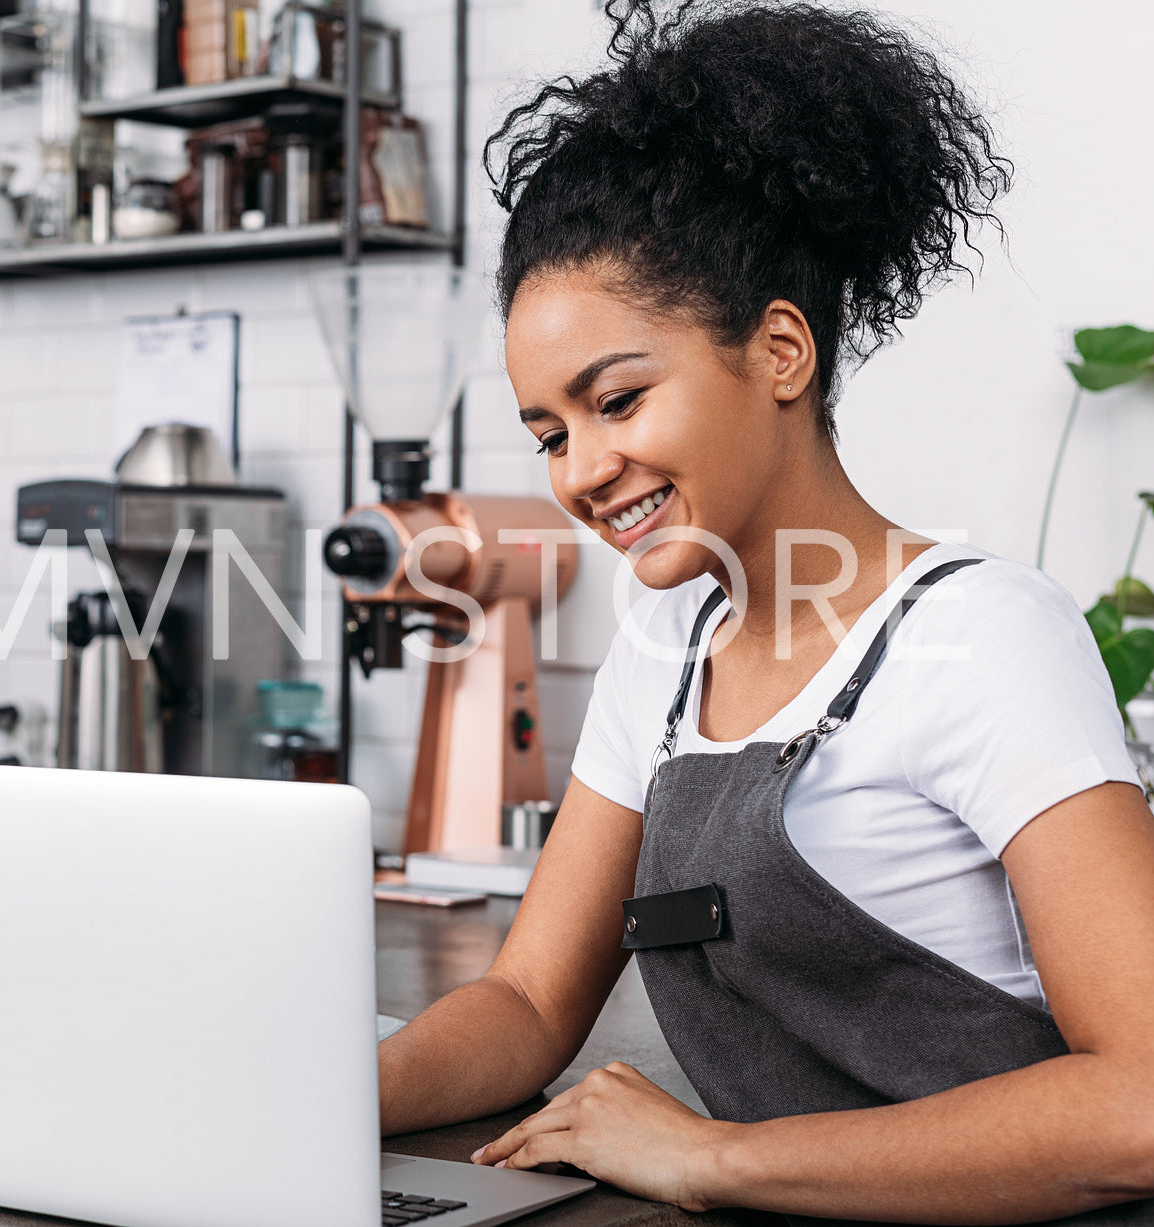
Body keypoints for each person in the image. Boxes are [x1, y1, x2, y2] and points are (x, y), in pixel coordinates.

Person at [376, 3, 1154, 1223]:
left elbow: (1140, 1103)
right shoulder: (666, 650)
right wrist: (313, 1095)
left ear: (778, 350)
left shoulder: (982, 638)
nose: (579, 470)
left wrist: (711, 1158)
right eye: (549, 433)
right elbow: (527, 1006)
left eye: (617, 400)